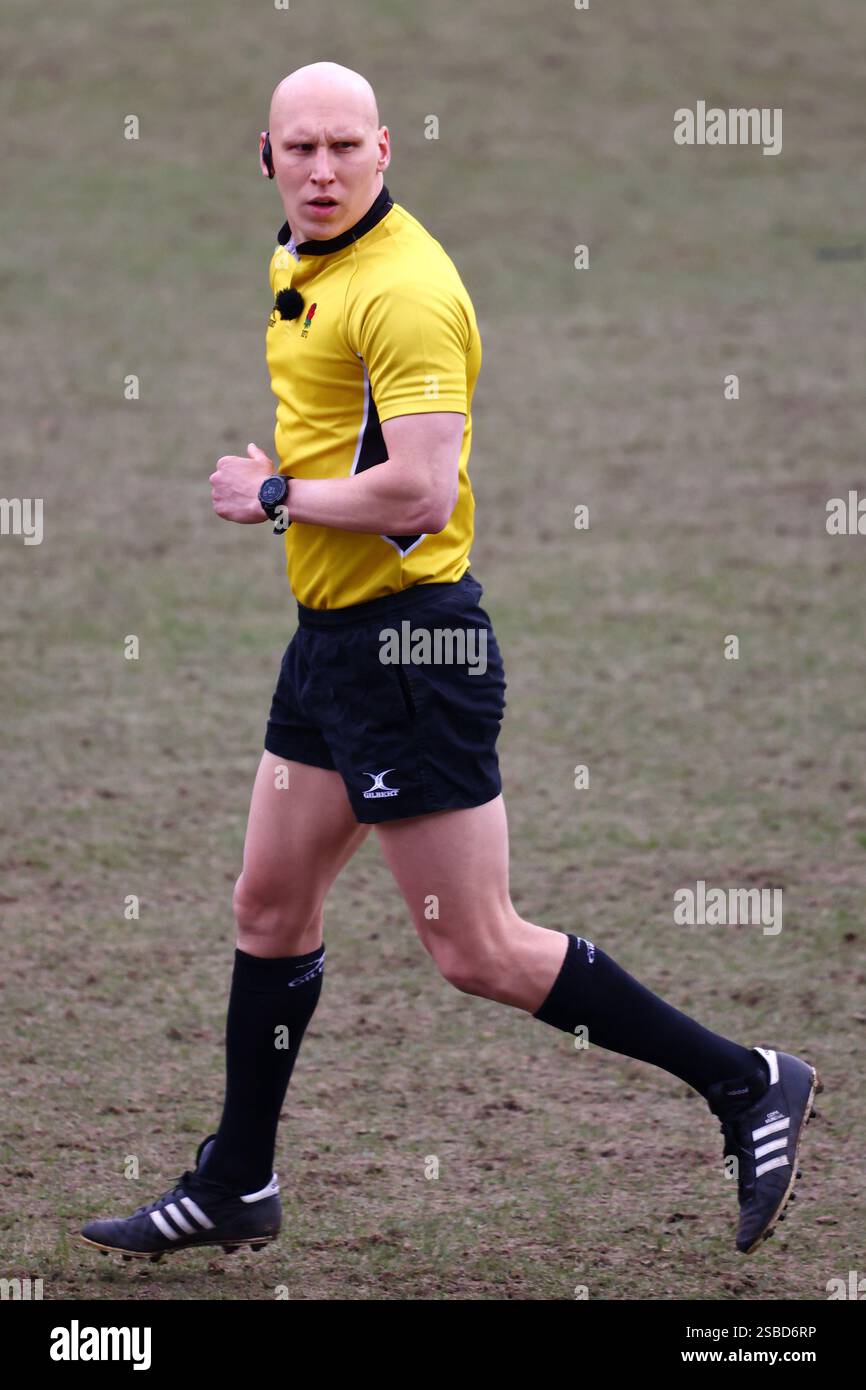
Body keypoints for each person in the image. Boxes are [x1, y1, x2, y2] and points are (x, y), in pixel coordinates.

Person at [80, 62, 821, 1264]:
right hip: (330, 646)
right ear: (261, 157)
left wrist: (275, 493)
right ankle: (237, 1180)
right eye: (300, 150)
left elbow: (421, 488)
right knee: (269, 905)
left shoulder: (406, 289)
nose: (322, 171)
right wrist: (305, 482)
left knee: (475, 947)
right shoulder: (300, 261)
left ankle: (745, 1083)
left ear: (386, 149)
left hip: (408, 650)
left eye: (344, 149)